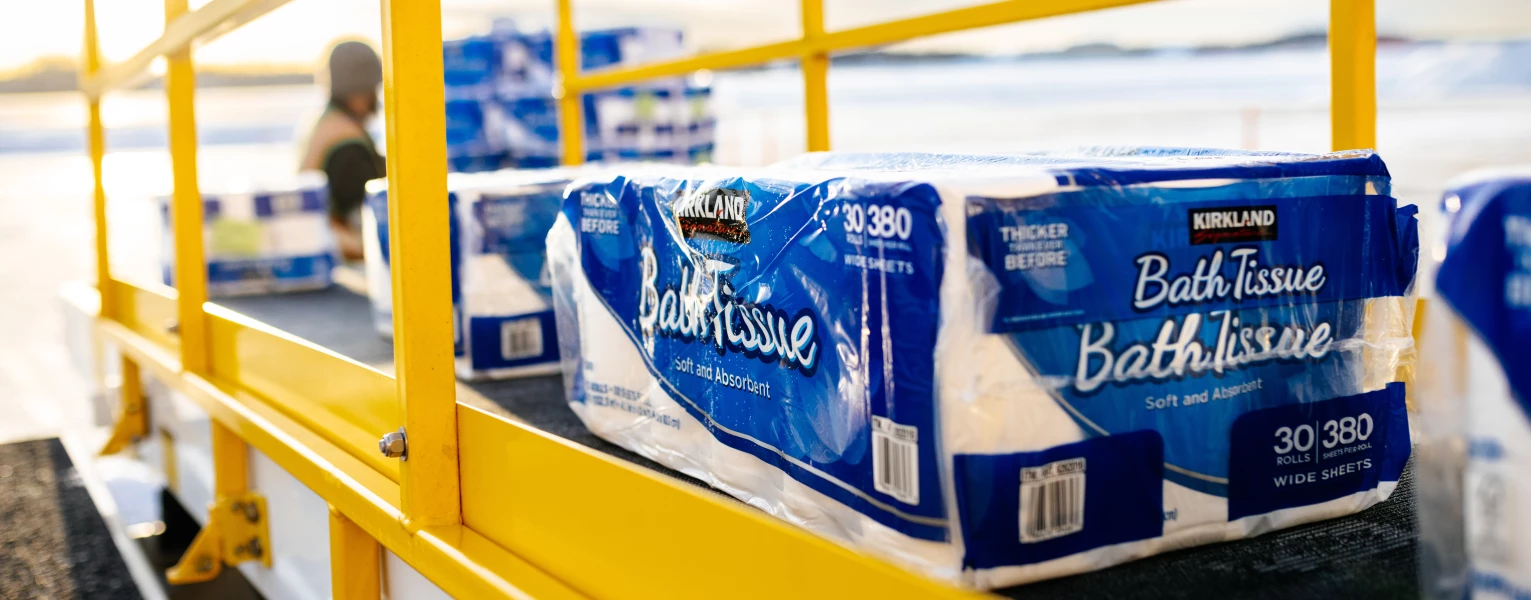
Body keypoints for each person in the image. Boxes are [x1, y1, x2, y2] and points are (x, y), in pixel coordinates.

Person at [301, 41, 385, 261]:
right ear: (360, 93)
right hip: (344, 256)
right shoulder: (348, 145)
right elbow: (362, 211)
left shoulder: (327, 124)